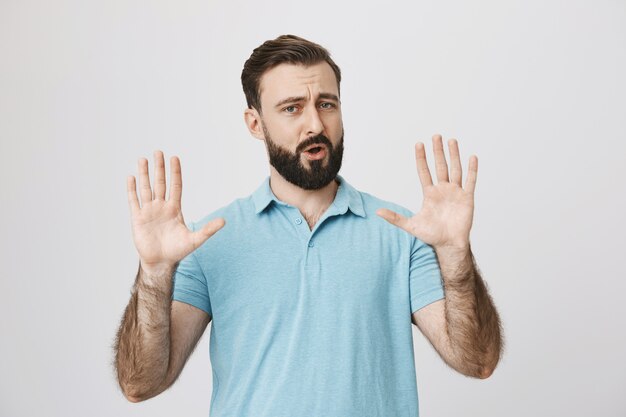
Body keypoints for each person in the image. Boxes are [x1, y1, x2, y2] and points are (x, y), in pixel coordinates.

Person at [114, 34, 503, 416]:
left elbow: (478, 361)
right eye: (291, 108)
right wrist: (155, 273)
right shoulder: (209, 240)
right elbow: (140, 385)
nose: (315, 124)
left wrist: (454, 255)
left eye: (326, 104)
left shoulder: (401, 233)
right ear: (254, 123)